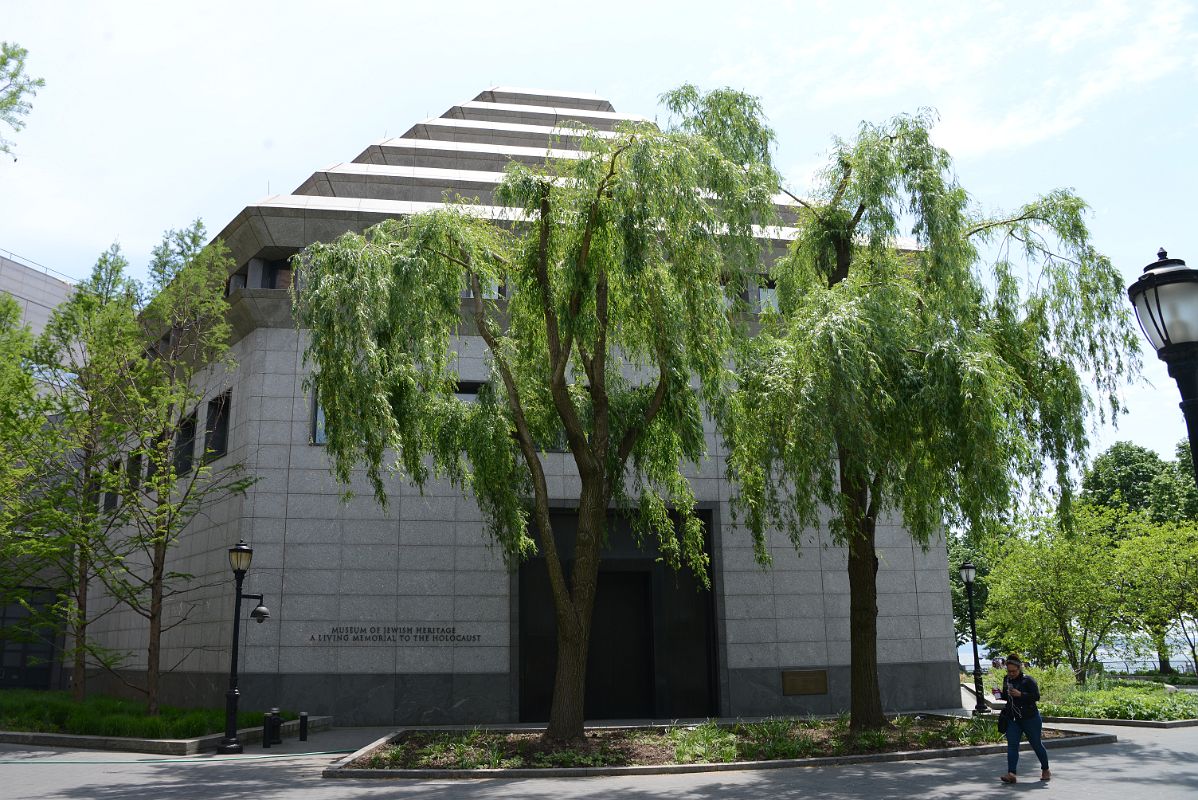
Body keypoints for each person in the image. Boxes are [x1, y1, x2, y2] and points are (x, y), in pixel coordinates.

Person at [997, 653, 1050, 783]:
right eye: (1009, 671)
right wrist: (999, 694)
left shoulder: (1028, 680)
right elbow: (1007, 696)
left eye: (1013, 671)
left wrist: (1021, 694)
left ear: (1019, 668)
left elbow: (1036, 697)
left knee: (1036, 744)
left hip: (1030, 718)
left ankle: (1045, 769)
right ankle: (1011, 774)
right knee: (1012, 746)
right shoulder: (1007, 679)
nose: (1011, 674)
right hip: (1013, 718)